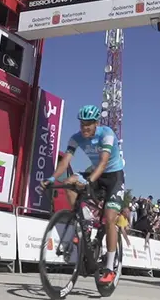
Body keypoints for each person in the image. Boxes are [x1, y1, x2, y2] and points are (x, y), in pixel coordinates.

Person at [42, 104, 125, 285]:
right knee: (70, 181)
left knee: (110, 218)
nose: (85, 128)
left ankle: (110, 268)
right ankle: (82, 220)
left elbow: (103, 163)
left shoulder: (107, 134)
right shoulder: (76, 138)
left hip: (113, 177)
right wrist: (51, 178)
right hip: (95, 172)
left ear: (96, 123)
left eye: (88, 124)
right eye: (82, 124)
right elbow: (65, 162)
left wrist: (88, 181)